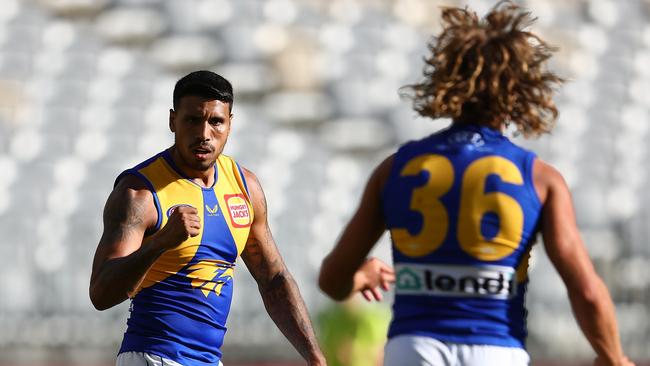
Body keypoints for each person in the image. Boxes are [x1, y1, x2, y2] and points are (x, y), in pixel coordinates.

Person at [318, 3, 633, 366]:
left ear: (446, 80)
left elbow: (332, 280)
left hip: (415, 348)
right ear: (520, 89)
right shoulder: (540, 178)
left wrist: (361, 277)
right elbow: (587, 291)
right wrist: (614, 357)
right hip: (496, 350)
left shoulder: (395, 169)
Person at [90, 70, 326, 366]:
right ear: (173, 121)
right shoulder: (140, 193)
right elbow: (101, 293)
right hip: (153, 356)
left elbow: (274, 279)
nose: (204, 134)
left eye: (216, 121)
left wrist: (315, 357)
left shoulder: (245, 187)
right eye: (192, 120)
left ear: (229, 124)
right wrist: (159, 243)